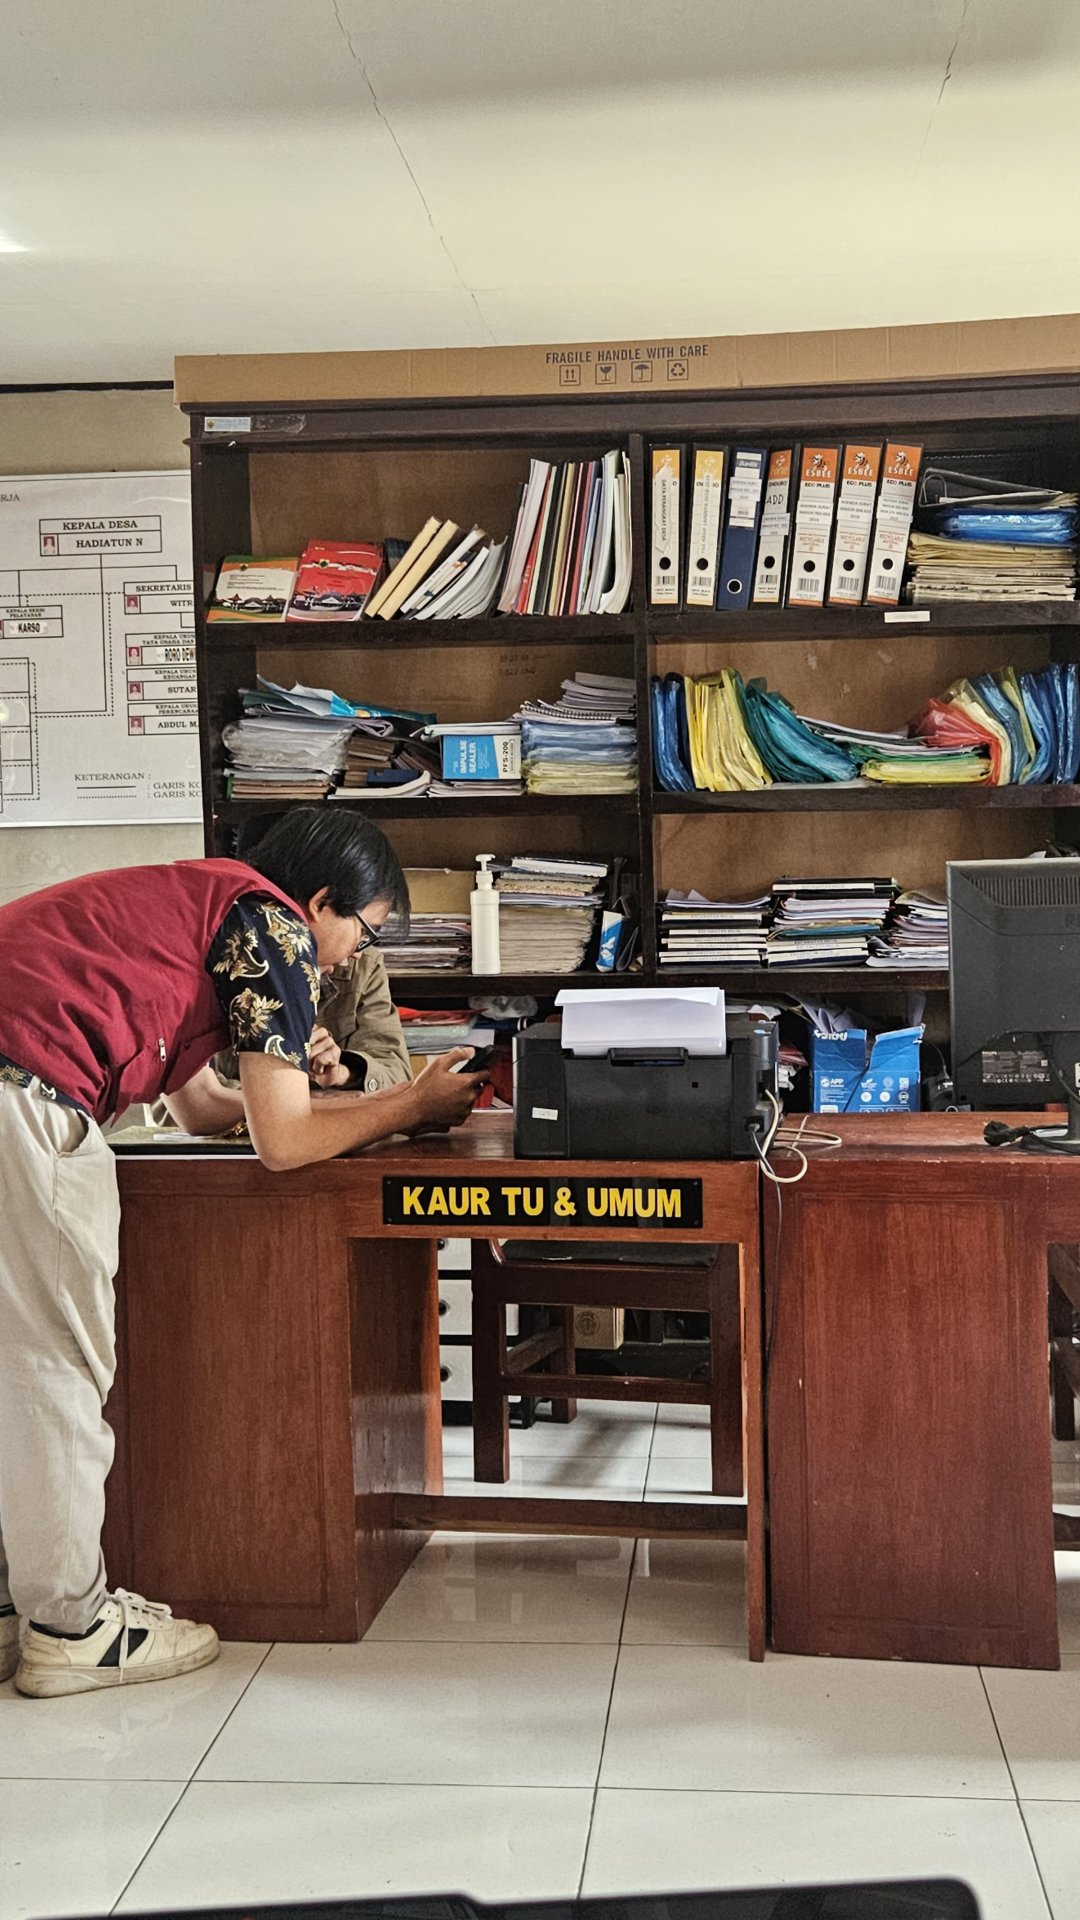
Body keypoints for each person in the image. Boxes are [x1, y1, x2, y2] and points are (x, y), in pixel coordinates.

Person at [0, 809, 483, 1699]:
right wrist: (410, 1109)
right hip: (23, 1105)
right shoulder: (272, 924)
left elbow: (209, 1112)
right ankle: (71, 1627)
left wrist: (377, 1101)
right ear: (321, 900)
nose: (347, 961)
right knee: (51, 1374)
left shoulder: (192, 908)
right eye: (361, 933)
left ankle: (15, 1607)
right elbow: (284, 1143)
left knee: (7, 1375)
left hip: (13, 1085)